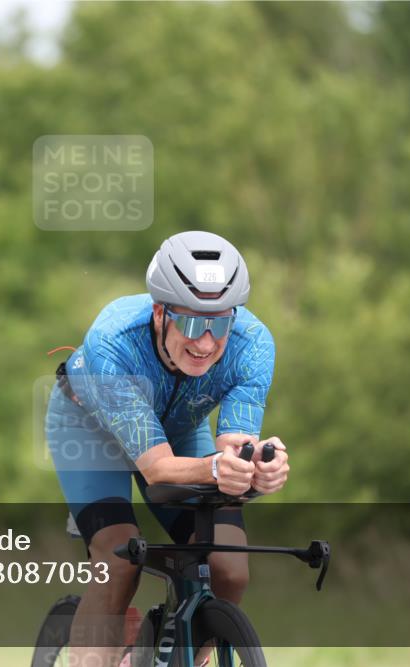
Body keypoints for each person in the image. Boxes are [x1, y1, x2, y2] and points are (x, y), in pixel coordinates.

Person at [46, 230, 289, 666]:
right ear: (159, 312)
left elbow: (234, 446)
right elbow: (158, 469)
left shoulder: (253, 345)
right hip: (89, 431)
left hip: (176, 430)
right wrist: (217, 470)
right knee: (120, 556)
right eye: (193, 323)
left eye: (221, 324)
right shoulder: (115, 339)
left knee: (229, 567)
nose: (207, 343)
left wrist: (258, 469)